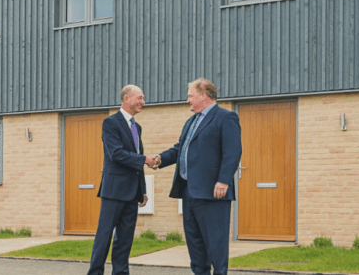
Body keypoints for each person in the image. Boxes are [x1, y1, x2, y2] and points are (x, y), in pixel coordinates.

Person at [154, 78, 242, 275]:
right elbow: (180, 149)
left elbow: (233, 152)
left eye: (190, 96)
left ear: (203, 95)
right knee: (194, 243)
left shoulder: (225, 118)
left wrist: (223, 180)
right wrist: (160, 159)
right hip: (189, 191)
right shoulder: (191, 121)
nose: (188, 100)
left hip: (213, 192)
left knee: (216, 243)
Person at [87, 85, 158, 275]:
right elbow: (116, 154)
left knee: (125, 239)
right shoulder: (110, 123)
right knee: (104, 236)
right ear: (127, 99)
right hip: (114, 190)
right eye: (140, 98)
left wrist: (142, 189)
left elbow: (136, 157)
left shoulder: (138, 127)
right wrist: (144, 160)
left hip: (132, 192)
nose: (143, 102)